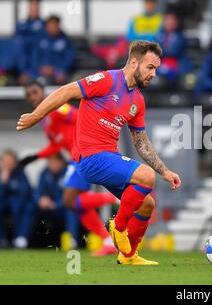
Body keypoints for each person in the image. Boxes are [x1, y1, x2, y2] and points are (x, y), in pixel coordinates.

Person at [17, 40, 181, 266]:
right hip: (90, 157)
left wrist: (164, 170)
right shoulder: (106, 80)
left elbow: (141, 142)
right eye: (150, 67)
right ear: (134, 63)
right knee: (145, 176)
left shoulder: (138, 101)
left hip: (108, 157)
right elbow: (67, 91)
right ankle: (118, 227)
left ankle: (128, 255)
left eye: (156, 69)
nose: (154, 74)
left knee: (147, 204)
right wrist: (36, 116)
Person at [22, 80, 117, 257]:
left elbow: (80, 115)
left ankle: (114, 199)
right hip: (76, 157)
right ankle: (107, 241)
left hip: (83, 155)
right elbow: (56, 145)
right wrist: (35, 157)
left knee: (69, 201)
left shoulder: (59, 108)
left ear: (43, 92)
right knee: (77, 205)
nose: (32, 97)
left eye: (34, 92)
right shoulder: (46, 119)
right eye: (28, 95)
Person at [34, 154, 79, 249]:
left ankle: (72, 240)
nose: (53, 165)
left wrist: (56, 204)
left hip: (63, 208)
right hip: (48, 208)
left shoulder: (69, 173)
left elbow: (72, 196)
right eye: (51, 163)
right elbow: (38, 192)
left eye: (56, 162)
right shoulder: (44, 173)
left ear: (62, 162)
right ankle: (29, 241)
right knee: (30, 209)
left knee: (71, 210)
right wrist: (41, 199)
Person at [0, 150, 33, 249]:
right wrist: (3, 183)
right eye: (6, 160)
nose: (8, 163)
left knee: (24, 207)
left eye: (10, 160)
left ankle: (20, 239)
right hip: (3, 203)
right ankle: (1, 239)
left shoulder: (20, 173)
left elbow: (25, 192)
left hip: (18, 204)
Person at [31, 15, 75, 84]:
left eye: (54, 25)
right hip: (40, 71)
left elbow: (69, 58)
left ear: (58, 26)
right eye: (50, 26)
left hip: (57, 72)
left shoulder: (66, 40)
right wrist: (40, 68)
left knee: (62, 78)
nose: (52, 28)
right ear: (46, 27)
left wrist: (57, 69)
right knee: (31, 79)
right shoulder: (39, 39)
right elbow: (34, 56)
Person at [15, 0, 45, 85]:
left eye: (36, 6)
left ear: (39, 8)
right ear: (28, 8)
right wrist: (22, 71)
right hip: (22, 71)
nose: (34, 9)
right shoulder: (21, 26)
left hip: (41, 70)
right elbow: (17, 51)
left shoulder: (46, 25)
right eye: (32, 6)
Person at [156, 13, 188, 81]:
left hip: (176, 64)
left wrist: (161, 51)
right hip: (161, 63)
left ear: (176, 23)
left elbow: (175, 51)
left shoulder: (180, 37)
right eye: (167, 20)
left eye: (172, 20)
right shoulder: (158, 37)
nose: (169, 22)